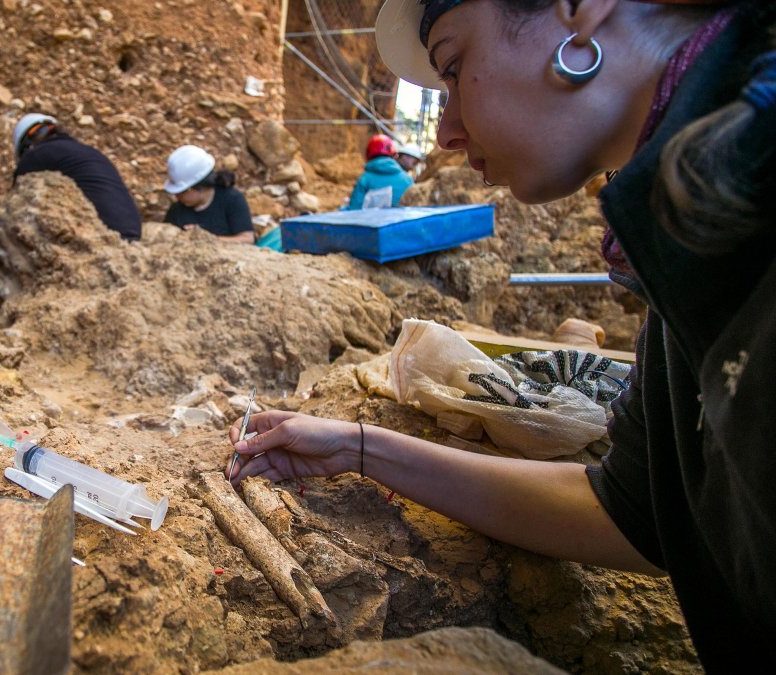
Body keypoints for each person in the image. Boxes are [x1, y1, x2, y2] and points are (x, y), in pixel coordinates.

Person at [228, 0, 776, 669]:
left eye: (455, 67)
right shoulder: (687, 246)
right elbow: (633, 511)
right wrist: (357, 447)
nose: (447, 133)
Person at [12, 113, 142, 241]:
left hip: (106, 233)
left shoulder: (38, 154)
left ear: (27, 145)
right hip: (133, 230)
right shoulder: (84, 151)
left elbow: (15, 199)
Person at [162, 145, 255, 244]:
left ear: (197, 188)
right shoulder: (176, 210)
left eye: (181, 192)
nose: (177, 197)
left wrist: (206, 239)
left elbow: (247, 239)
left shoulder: (232, 199)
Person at [342, 133, 414, 209]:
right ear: (393, 154)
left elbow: (354, 209)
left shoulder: (365, 179)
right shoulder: (408, 179)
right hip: (402, 220)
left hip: (370, 220)